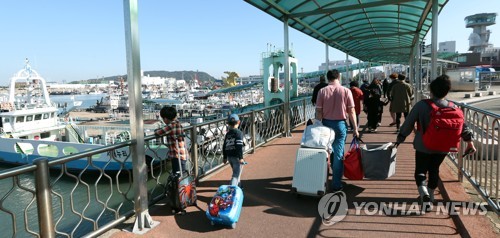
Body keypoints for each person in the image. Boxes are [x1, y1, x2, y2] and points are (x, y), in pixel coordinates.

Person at [395, 75, 476, 209]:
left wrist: (400, 138)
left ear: (431, 90)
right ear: (446, 91)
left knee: (420, 171)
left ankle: (423, 192)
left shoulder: (422, 105)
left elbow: (408, 123)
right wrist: (470, 142)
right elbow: (463, 126)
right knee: (434, 170)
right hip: (443, 146)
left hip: (423, 145)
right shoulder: (454, 107)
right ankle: (431, 195)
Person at [316, 69, 359, 191]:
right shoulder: (346, 91)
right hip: (340, 125)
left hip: (325, 125)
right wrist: (355, 128)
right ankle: (336, 184)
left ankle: (320, 181)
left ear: (327, 78)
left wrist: (318, 125)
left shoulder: (322, 91)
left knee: (325, 153)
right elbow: (351, 111)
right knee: (339, 154)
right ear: (338, 77)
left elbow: (318, 111)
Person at [154, 106, 188, 174]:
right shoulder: (178, 123)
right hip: (182, 153)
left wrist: (156, 130)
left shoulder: (171, 126)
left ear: (166, 119)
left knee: (178, 176)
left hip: (177, 155)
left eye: (163, 119)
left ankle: (180, 184)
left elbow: (158, 132)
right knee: (181, 173)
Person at [223, 114, 246, 186]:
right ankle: (232, 189)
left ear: (228, 124)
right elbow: (239, 146)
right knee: (235, 175)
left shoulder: (228, 134)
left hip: (229, 156)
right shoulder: (239, 133)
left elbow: (224, 146)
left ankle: (239, 187)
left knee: (236, 172)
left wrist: (225, 157)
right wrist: (241, 158)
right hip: (236, 156)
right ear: (239, 122)